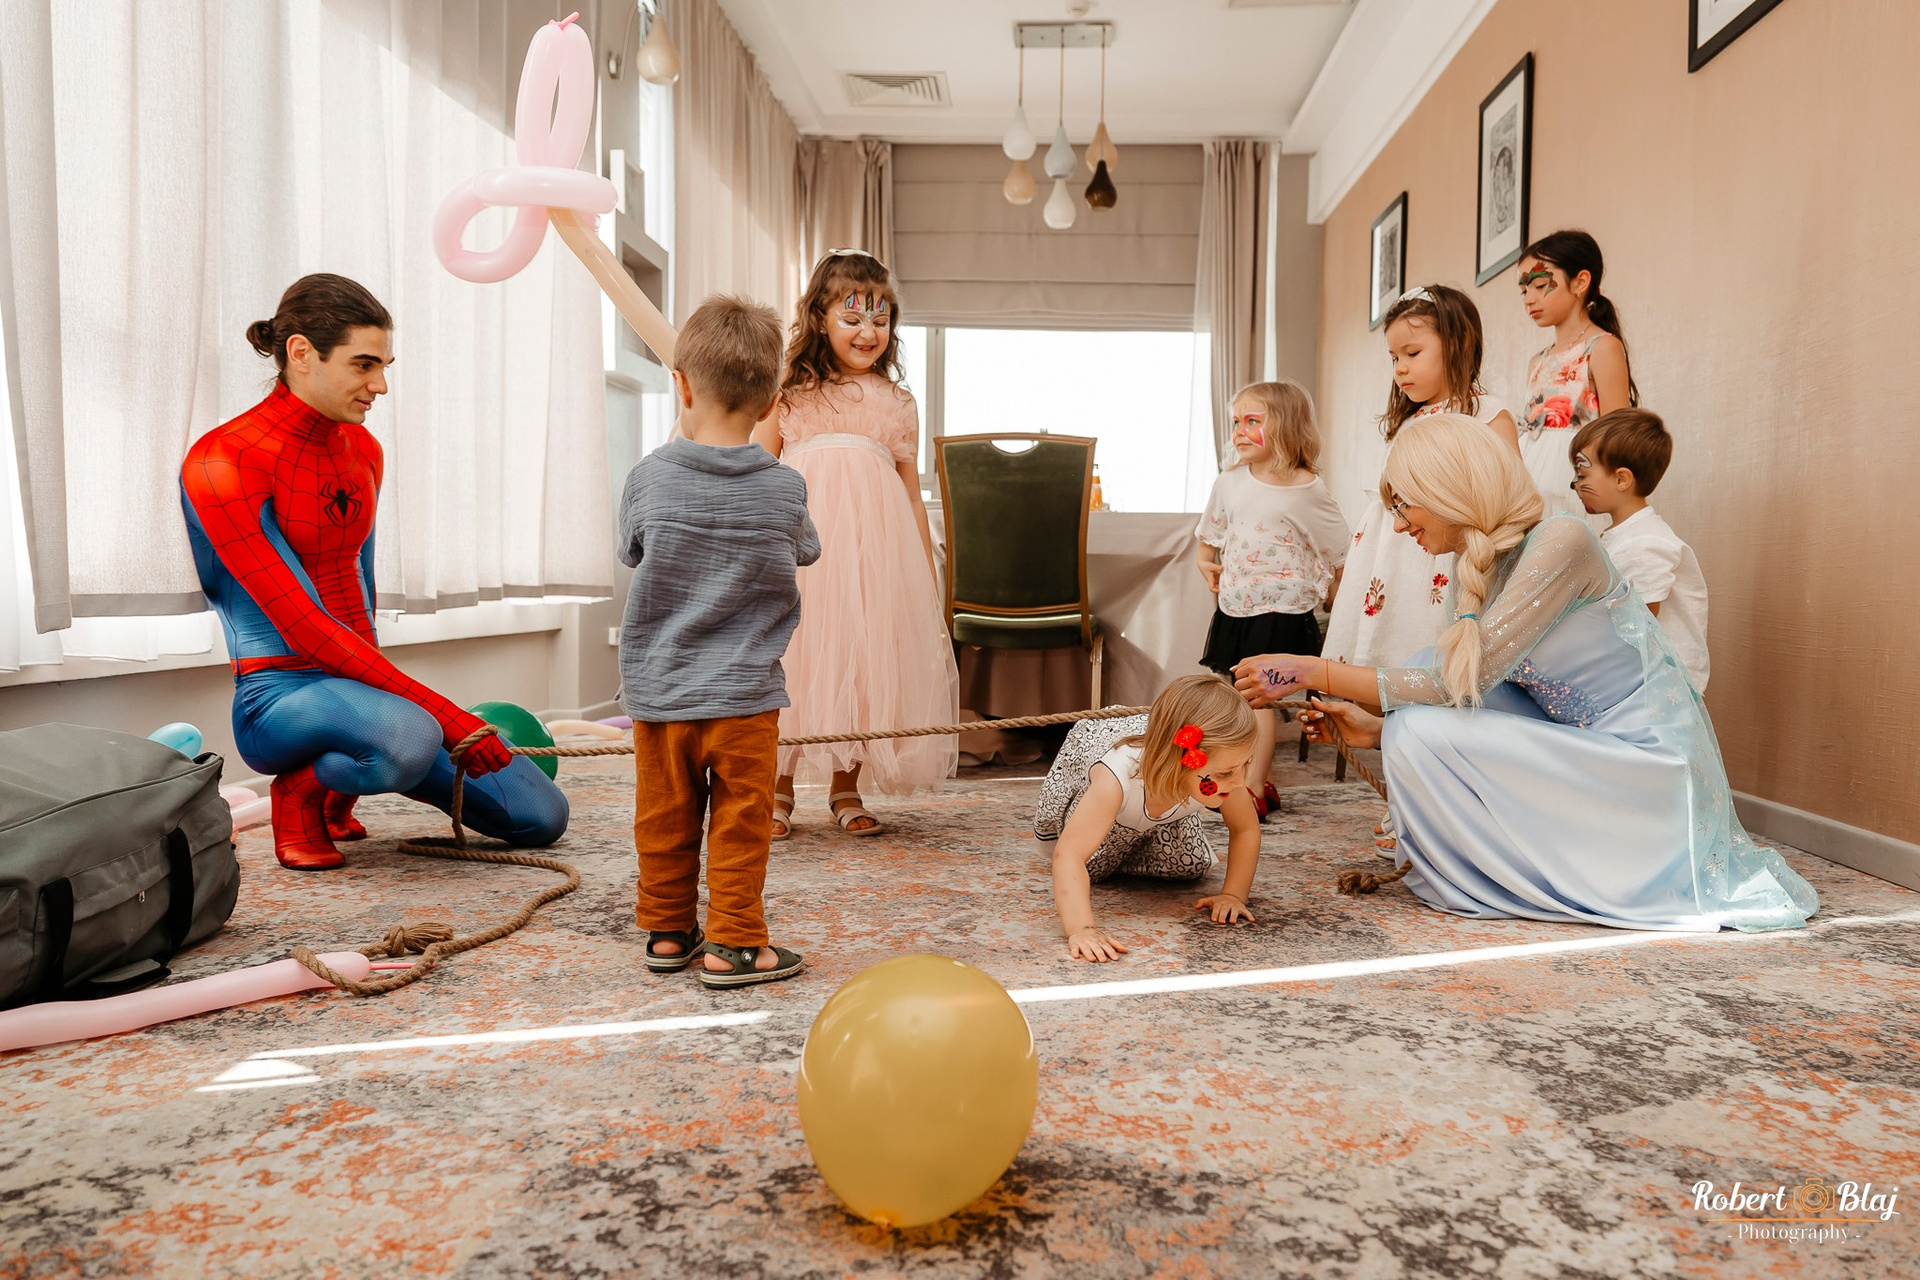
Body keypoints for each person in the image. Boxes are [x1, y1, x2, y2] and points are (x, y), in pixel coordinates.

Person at [1235, 414, 1816, 934]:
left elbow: (1456, 686)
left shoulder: (1562, 540)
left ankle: (1497, 874)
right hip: (1584, 745)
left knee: (1418, 718)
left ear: (1448, 488)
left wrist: (1311, 670)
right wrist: (1377, 729)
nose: (1400, 523)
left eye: (1404, 504)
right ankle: (1491, 860)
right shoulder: (1477, 565)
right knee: (1418, 682)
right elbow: (1463, 680)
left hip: (1645, 767)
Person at [180, 274, 565, 870]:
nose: (380, 385)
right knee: (411, 737)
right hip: (276, 699)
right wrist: (447, 718)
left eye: (384, 366)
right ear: (301, 353)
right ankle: (301, 790)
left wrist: (394, 705)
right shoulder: (222, 459)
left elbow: (359, 592)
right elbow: (305, 625)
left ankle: (345, 777)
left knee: (540, 817)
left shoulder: (363, 450)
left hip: (359, 688)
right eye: (363, 365)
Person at [618, 295, 818, 988]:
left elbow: (631, 550)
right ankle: (734, 943)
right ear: (771, 402)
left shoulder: (647, 478)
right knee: (741, 821)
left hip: (660, 693)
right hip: (745, 697)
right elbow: (807, 550)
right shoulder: (785, 488)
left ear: (682, 385)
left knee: (663, 816)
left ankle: (667, 931)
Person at [752, 249, 958, 839]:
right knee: (798, 658)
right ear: (820, 319)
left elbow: (909, 492)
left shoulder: (897, 401)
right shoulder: (790, 392)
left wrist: (924, 564)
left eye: (881, 318)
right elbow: (761, 472)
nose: (869, 332)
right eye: (852, 318)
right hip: (806, 551)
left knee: (864, 661)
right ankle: (777, 790)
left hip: (875, 553)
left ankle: (847, 786)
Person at [1322, 285, 1519, 671]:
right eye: (1394, 357)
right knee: (1380, 645)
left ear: (1459, 344)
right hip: (1390, 552)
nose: (1400, 368)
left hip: (1443, 555)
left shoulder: (1487, 414)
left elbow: (1509, 493)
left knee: (1426, 649)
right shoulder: (1407, 422)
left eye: (1412, 354)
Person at [1195, 380, 1350, 820]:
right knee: (1239, 697)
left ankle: (1252, 790)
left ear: (1284, 426)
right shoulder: (1228, 482)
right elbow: (1208, 536)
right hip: (1237, 606)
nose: (1239, 432)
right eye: (1236, 422)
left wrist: (1339, 604)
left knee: (1256, 699)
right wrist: (1205, 563)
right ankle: (1253, 780)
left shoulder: (1308, 490)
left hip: (1284, 610)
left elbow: (1342, 553)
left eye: (1252, 421)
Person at [1035, 676, 1264, 963]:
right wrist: (1081, 929)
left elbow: (1245, 828)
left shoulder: (1224, 770)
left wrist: (1233, 895)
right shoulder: (1117, 777)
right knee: (1091, 866)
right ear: (1185, 760)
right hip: (1116, 789)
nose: (1241, 781)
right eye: (1227, 773)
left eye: (1245, 764)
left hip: (1167, 790)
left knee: (1189, 865)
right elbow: (1069, 854)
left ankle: (1141, 840)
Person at [1570, 409, 1710, 693]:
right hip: (1640, 679)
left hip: (1659, 687)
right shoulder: (1625, 536)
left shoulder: (1644, 544)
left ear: (1622, 479)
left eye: (1582, 474)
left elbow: (1638, 626)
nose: (1575, 485)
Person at [1517, 230, 1636, 522]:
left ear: (1580, 282)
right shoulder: (1537, 361)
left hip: (1572, 481)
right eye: (1524, 290)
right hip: (1531, 483)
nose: (1529, 299)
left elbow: (1617, 437)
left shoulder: (1603, 347)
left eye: (1540, 285)